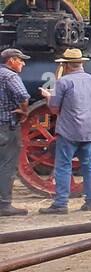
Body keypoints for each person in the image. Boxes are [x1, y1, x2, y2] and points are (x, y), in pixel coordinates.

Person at [39, 47, 91, 214]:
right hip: (89, 130)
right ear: (81, 64)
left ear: (66, 66)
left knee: (63, 166)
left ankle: (61, 203)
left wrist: (48, 96)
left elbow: (53, 108)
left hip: (69, 130)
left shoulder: (63, 82)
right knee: (88, 166)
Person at [0, 47, 32, 217]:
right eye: (20, 60)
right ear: (11, 61)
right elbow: (23, 96)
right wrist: (24, 112)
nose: (23, 63)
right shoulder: (10, 76)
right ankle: (5, 204)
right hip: (6, 126)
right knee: (7, 165)